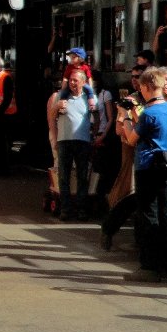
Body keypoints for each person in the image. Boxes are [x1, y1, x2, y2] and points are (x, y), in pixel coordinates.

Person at [121, 66, 167, 282]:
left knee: (147, 215)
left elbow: (131, 139)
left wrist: (125, 117)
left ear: (145, 87)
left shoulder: (150, 113)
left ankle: (148, 266)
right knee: (164, 214)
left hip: (147, 166)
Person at [100, 65, 145, 250]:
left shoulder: (157, 102)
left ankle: (140, 240)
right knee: (131, 196)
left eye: (139, 76)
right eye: (133, 76)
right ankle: (109, 229)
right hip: (132, 154)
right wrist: (135, 131)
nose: (135, 80)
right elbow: (119, 129)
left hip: (149, 155)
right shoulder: (130, 100)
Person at [47, 69, 93, 221]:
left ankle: (82, 210)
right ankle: (65, 210)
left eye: (76, 80)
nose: (72, 83)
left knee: (82, 176)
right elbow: (51, 117)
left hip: (83, 141)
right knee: (64, 176)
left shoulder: (89, 98)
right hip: (64, 141)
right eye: (71, 80)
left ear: (83, 82)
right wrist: (56, 106)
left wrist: (96, 134)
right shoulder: (62, 96)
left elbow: (97, 116)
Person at [56, 47, 97, 112]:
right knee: (64, 92)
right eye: (71, 57)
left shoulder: (85, 67)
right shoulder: (69, 67)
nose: (71, 59)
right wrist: (63, 88)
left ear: (80, 58)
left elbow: (89, 78)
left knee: (89, 90)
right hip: (71, 84)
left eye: (73, 57)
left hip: (82, 84)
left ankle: (91, 105)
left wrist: (90, 87)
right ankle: (62, 107)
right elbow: (65, 78)